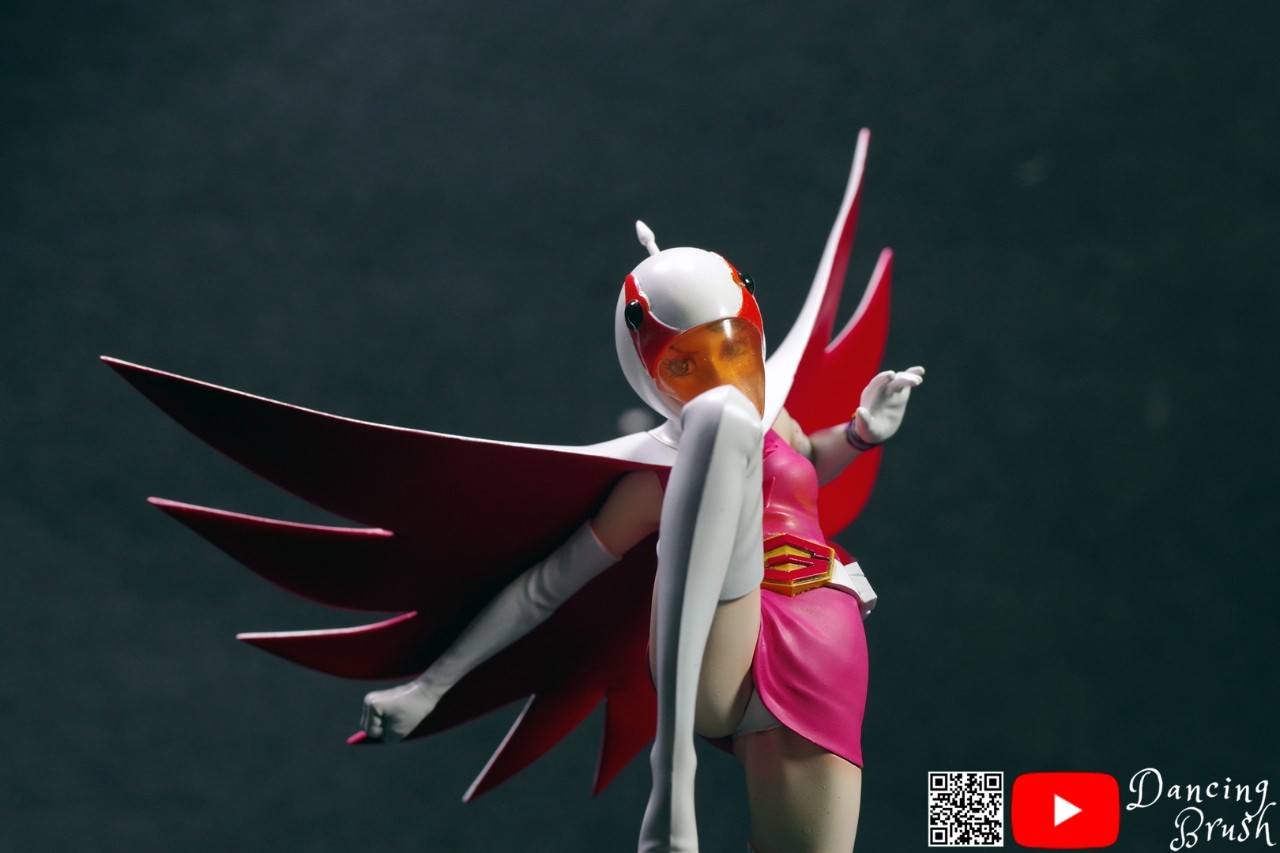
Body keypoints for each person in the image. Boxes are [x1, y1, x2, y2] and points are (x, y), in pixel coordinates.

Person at [361, 227, 924, 853]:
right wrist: (428, 689)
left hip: (818, 633)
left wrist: (860, 434)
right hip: (717, 650)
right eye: (684, 365)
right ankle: (672, 784)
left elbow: (807, 464)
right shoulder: (654, 476)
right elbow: (545, 588)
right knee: (720, 419)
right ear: (649, 375)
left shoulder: (773, 423)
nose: (719, 377)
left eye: (733, 350)